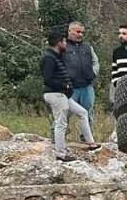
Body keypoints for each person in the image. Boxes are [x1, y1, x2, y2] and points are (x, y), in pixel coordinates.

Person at [41, 30, 98, 162]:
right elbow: (47, 79)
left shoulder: (56, 56)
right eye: (64, 41)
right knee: (61, 123)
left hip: (62, 95)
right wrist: (64, 86)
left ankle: (91, 143)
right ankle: (61, 154)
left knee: (83, 112)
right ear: (58, 43)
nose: (66, 43)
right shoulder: (49, 58)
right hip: (55, 94)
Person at [62, 21, 99, 120]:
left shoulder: (87, 47)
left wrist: (93, 73)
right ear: (70, 31)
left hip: (87, 87)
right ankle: (56, 135)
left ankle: (86, 136)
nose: (80, 34)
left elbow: (95, 62)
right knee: (63, 115)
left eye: (82, 32)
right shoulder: (62, 46)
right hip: (70, 88)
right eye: (78, 32)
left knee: (88, 115)